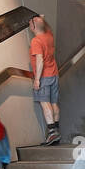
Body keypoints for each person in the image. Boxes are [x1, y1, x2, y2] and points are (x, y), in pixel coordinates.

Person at [29, 15, 60, 144]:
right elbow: (46, 27)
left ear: (34, 26)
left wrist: (37, 80)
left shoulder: (36, 41)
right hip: (54, 74)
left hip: (44, 76)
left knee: (44, 102)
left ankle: (52, 133)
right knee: (54, 103)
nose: (29, 26)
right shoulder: (49, 36)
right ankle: (57, 131)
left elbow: (39, 60)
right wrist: (42, 19)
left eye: (30, 23)